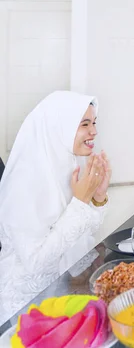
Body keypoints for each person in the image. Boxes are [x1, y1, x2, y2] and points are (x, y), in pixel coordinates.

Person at [0, 91, 111, 324]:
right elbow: (36, 263)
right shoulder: (24, 182)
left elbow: (80, 231)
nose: (94, 131)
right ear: (58, 128)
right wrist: (81, 203)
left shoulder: (63, 164)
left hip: (64, 288)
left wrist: (97, 198)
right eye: (84, 124)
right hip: (28, 309)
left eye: (94, 123)